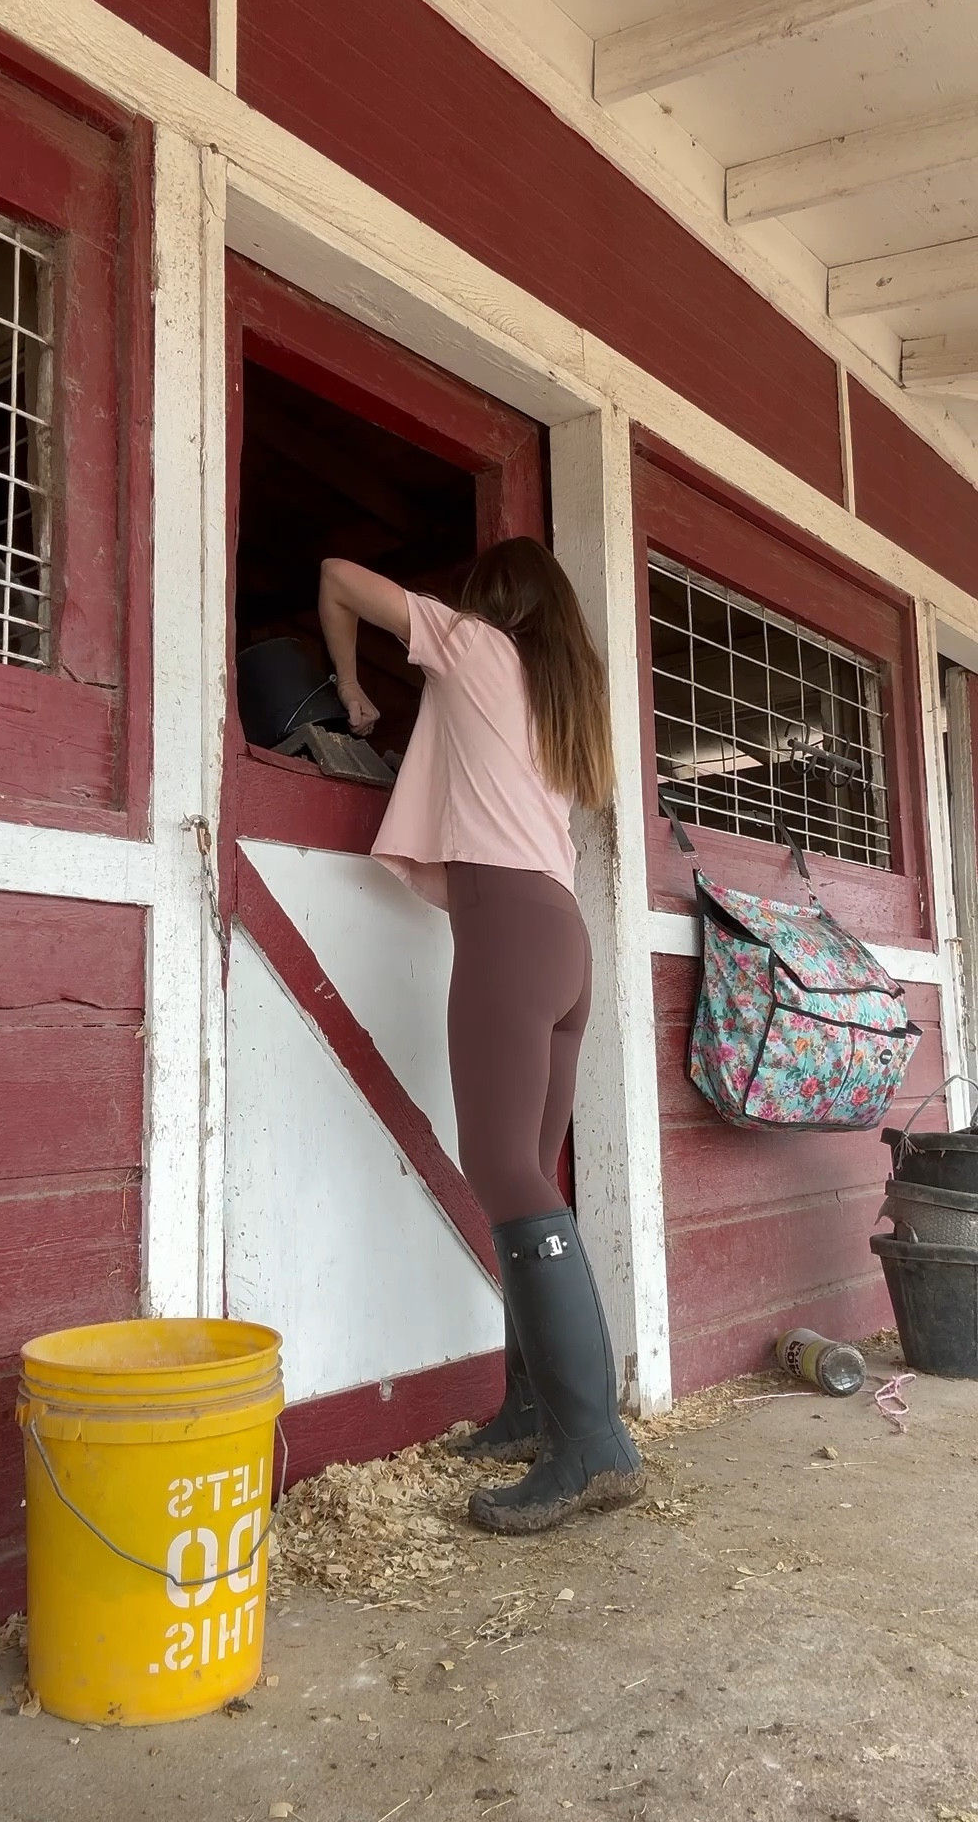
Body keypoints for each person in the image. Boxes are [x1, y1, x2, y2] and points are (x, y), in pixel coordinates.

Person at [318, 537, 643, 1535]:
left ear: (490, 605)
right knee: (528, 1173)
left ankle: (593, 1447)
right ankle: (537, 1406)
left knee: (502, 1168)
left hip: (506, 931)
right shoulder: (560, 698)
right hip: (561, 935)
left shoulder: (473, 647)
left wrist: (350, 690)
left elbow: (334, 578)